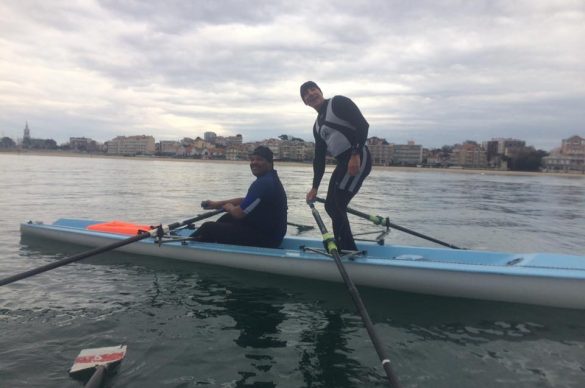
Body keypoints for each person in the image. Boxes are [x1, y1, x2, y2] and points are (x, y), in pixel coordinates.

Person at [301, 81, 372, 252]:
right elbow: (319, 159)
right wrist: (314, 187)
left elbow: (363, 125)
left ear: (320, 91)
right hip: (342, 162)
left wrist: (355, 155)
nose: (310, 94)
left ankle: (347, 249)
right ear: (305, 102)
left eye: (313, 89)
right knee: (331, 205)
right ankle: (344, 245)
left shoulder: (338, 103)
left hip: (358, 156)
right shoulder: (317, 126)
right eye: (306, 93)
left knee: (336, 205)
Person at [191, 146, 288, 248]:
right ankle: (212, 244)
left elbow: (239, 213)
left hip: (267, 240)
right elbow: (245, 201)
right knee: (228, 218)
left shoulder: (263, 183)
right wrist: (216, 204)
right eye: (252, 159)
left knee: (208, 227)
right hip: (272, 235)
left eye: (259, 159)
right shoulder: (270, 178)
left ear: (269, 163)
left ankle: (186, 245)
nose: (254, 162)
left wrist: (229, 208)